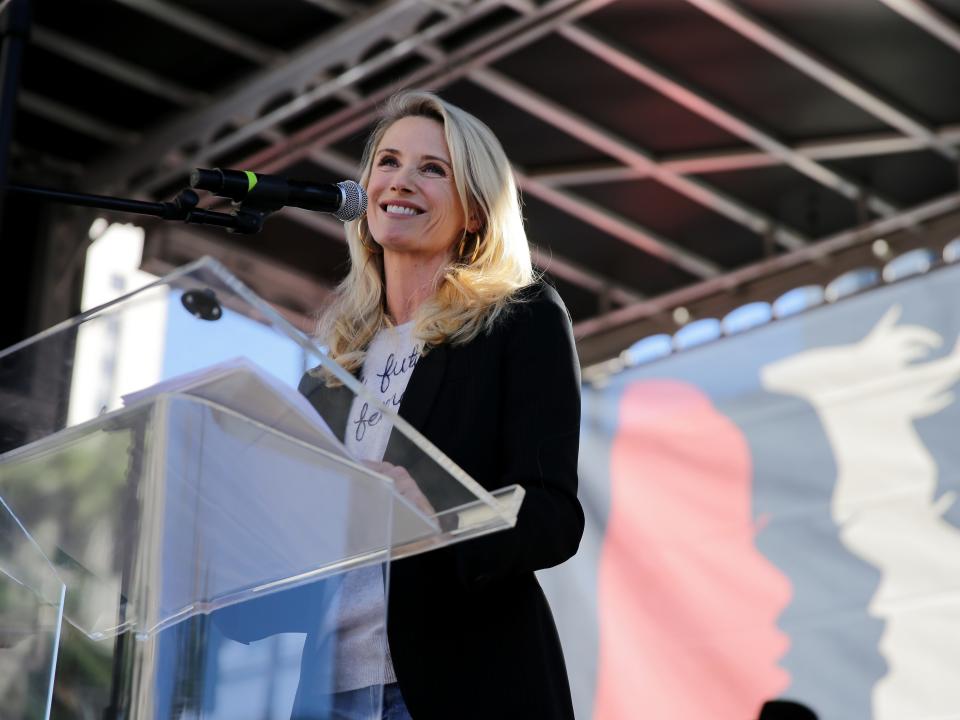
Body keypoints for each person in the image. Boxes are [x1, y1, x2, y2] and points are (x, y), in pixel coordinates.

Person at [297, 90, 585, 719]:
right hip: (328, 694)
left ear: (476, 212)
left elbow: (554, 516)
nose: (401, 181)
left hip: (460, 683)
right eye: (388, 162)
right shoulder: (330, 375)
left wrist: (441, 516)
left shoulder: (519, 320)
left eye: (433, 168)